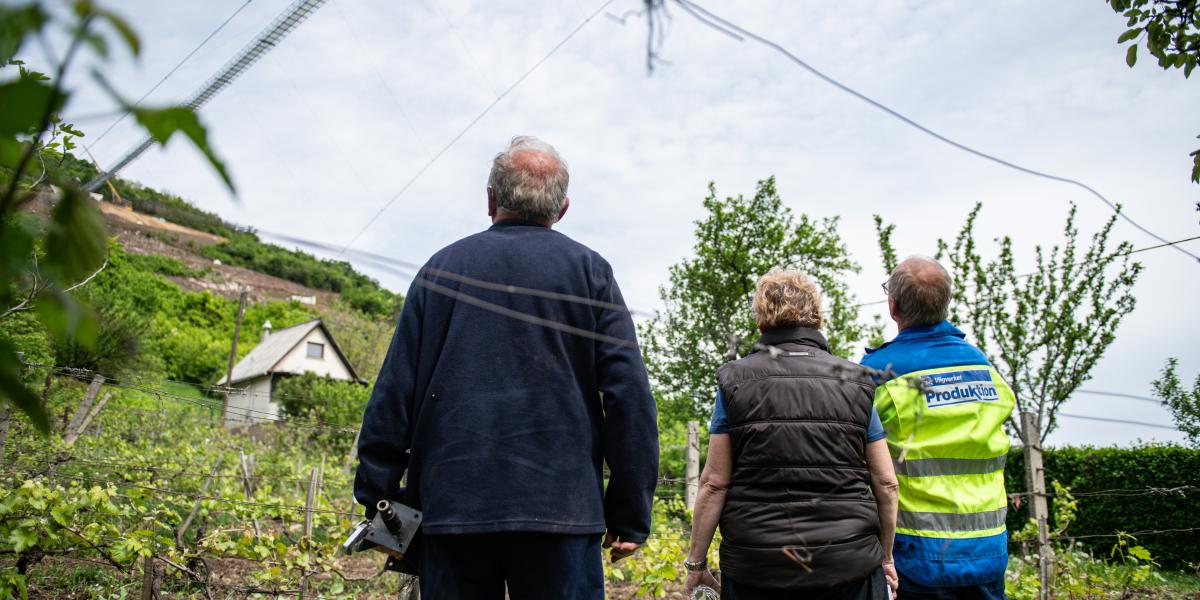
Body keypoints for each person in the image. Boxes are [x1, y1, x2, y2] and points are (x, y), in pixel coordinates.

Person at [353, 136, 659, 599]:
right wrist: (629, 513)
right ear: (563, 208)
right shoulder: (590, 272)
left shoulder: (440, 270)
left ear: (491, 198)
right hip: (562, 512)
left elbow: (395, 391)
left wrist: (379, 498)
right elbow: (628, 399)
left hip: (452, 511)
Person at [683, 268, 900, 600]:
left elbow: (714, 483)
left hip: (757, 569)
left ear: (761, 322)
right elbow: (886, 482)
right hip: (850, 566)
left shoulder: (735, 380)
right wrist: (885, 558)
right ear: (816, 320)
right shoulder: (857, 381)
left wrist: (696, 564)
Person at [861, 256, 1016, 600]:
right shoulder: (982, 365)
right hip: (988, 547)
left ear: (894, 306)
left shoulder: (879, 373)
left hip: (916, 554)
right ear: (946, 303)